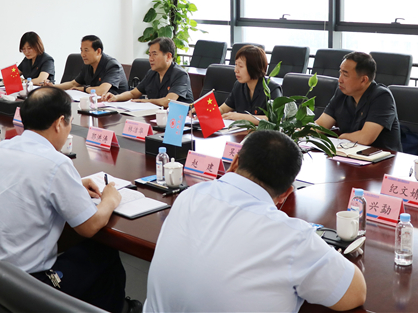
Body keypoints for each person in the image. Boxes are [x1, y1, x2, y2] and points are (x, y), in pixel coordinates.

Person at [145, 129, 367, 312]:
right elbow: (355, 292)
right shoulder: (292, 237)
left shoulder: (190, 195)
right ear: (286, 194)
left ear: (235, 162)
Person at [0, 87, 138, 313]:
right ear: (59, 123)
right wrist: (110, 199)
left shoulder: (2, 148)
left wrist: (74, 184)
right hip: (26, 288)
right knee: (103, 253)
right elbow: (89, 226)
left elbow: (26, 180)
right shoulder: (56, 162)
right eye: (69, 124)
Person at [316, 52, 402, 152]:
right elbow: (320, 125)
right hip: (349, 154)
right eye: (340, 73)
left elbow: (365, 138)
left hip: (382, 157)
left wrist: (343, 137)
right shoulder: (341, 93)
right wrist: (301, 132)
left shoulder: (382, 96)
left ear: (363, 80)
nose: (340, 80)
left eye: (345, 75)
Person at [103, 37, 193, 107]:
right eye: (149, 55)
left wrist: (146, 101)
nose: (151, 59)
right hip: (155, 116)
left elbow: (168, 101)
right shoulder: (152, 73)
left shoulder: (180, 75)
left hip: (180, 120)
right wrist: (116, 97)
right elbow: (133, 93)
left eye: (154, 54)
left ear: (168, 56)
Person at [219, 45, 282, 125]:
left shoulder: (272, 89)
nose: (236, 70)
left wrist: (240, 117)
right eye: (236, 65)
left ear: (254, 68)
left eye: (241, 66)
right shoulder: (239, 85)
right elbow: (223, 109)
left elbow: (275, 119)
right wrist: (206, 113)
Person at [54, 35, 128, 96]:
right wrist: (52, 87)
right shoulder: (88, 64)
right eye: (81, 50)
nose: (83, 54)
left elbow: (101, 91)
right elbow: (74, 84)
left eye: (86, 50)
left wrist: (84, 89)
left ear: (98, 51)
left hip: (116, 105)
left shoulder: (113, 66)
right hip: (98, 103)